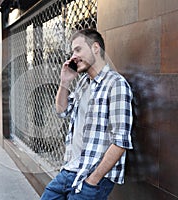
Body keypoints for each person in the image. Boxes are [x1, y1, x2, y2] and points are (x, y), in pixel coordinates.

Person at [40, 29, 133, 200]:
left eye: (78, 50)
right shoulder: (83, 82)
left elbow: (120, 141)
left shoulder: (116, 84)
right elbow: (62, 111)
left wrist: (92, 180)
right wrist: (64, 82)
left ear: (95, 48)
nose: (73, 56)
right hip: (69, 170)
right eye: (72, 51)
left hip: (92, 176)